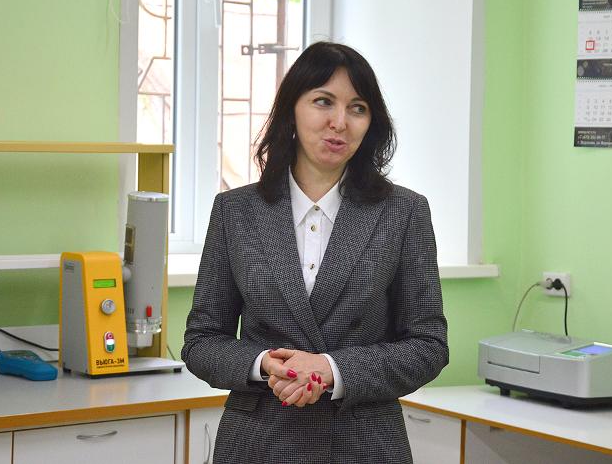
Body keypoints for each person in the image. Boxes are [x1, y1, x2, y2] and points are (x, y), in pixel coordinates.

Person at [181, 41, 448, 463]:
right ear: (292, 110)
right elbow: (201, 341)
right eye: (323, 101)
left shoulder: (404, 212)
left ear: (371, 123)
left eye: (357, 108)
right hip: (259, 443)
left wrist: (332, 369)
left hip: (364, 445)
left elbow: (428, 345)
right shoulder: (236, 210)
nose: (339, 122)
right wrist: (266, 364)